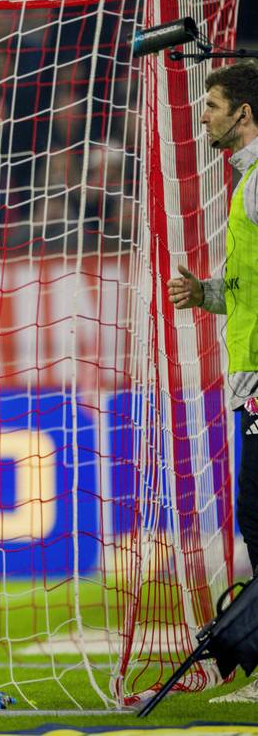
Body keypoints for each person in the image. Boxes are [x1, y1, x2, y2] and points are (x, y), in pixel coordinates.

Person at [166, 61, 258, 704]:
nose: (204, 115)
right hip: (251, 374)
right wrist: (206, 293)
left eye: (213, 104)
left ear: (243, 114)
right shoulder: (247, 179)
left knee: (257, 514)